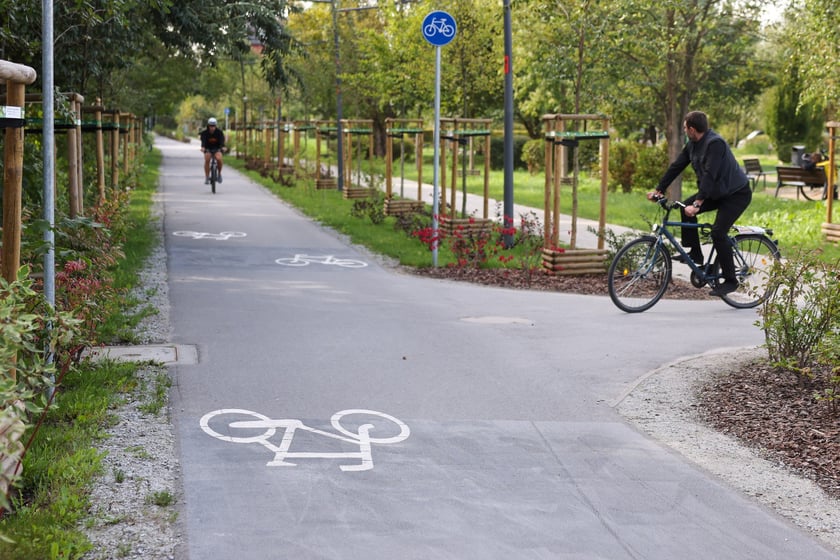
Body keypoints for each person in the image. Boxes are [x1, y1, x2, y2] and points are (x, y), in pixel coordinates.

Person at [647, 110, 751, 296]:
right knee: (683, 205)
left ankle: (730, 280)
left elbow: (711, 175)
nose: (685, 130)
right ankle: (695, 253)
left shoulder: (715, 144)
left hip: (736, 194)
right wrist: (659, 189)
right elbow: (677, 166)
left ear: (692, 129)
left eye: (685, 128)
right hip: (717, 192)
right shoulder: (693, 145)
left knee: (718, 231)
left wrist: (698, 203)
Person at [200, 117, 225, 184]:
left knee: (219, 158)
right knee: (207, 159)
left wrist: (222, 147)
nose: (212, 127)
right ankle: (207, 177)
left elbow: (222, 141)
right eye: (211, 126)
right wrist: (203, 147)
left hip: (217, 148)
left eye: (213, 126)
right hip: (208, 148)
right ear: (208, 126)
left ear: (216, 126)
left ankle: (219, 174)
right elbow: (203, 141)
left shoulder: (219, 132)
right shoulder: (204, 133)